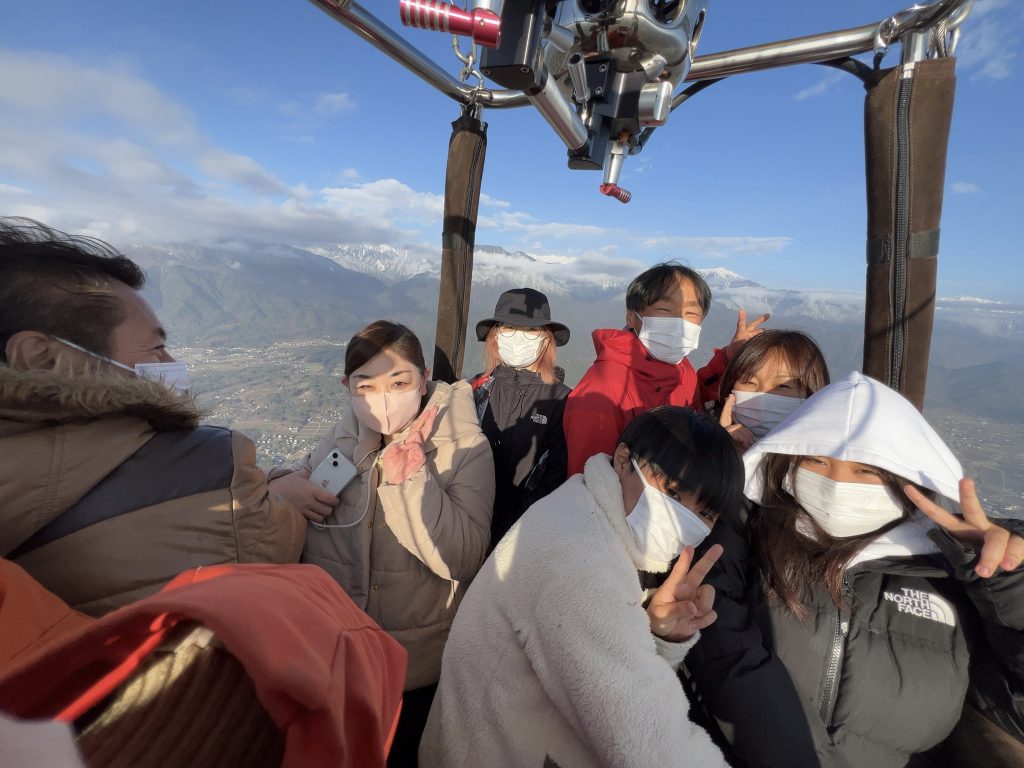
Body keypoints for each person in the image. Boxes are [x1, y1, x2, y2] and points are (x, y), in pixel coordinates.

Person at [686, 372, 1024, 768]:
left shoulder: (951, 577)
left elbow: (1011, 710)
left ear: (906, 476)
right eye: (815, 460)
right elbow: (722, 652)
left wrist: (1007, 585)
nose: (836, 482)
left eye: (867, 470)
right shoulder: (747, 536)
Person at [0, 218, 305, 616]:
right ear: (42, 359)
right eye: (156, 347)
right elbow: (276, 545)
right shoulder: (213, 467)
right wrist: (277, 496)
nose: (170, 362)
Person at [420, 406, 744, 768]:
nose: (684, 517)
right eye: (673, 492)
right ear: (623, 459)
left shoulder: (585, 513)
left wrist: (659, 637)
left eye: (705, 513)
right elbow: (649, 740)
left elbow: (608, 684)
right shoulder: (583, 559)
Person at [268, 320, 495, 767]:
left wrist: (411, 480)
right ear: (347, 388)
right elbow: (300, 480)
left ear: (424, 379)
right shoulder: (344, 438)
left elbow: (463, 559)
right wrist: (279, 485)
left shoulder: (465, 448)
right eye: (366, 386)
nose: (383, 398)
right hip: (338, 660)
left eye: (399, 382)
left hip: (416, 671)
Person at [563, 261, 769, 475]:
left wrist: (728, 358)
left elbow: (696, 412)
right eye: (664, 309)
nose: (679, 321)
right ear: (632, 317)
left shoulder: (681, 367)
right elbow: (592, 480)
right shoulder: (602, 391)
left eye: (691, 313)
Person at [470, 288, 572, 548]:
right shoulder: (475, 390)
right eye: (508, 327)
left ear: (546, 339)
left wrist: (509, 537)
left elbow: (555, 479)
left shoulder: (563, 402)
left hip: (523, 539)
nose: (519, 336)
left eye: (531, 330)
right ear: (495, 335)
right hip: (468, 530)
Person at [714, 329, 830, 451]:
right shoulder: (703, 441)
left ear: (812, 394)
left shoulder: (826, 456)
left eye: (783, 386)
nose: (761, 397)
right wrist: (721, 450)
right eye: (749, 382)